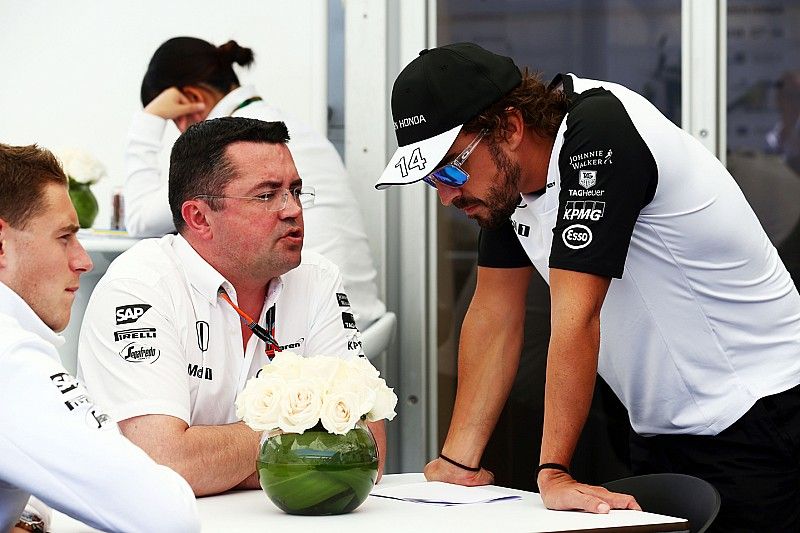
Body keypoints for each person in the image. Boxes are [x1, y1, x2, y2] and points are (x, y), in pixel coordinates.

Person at [376, 43, 800, 532]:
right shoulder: (505, 183)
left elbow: (576, 316)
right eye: (430, 180)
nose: (447, 195)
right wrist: (459, 464)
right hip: (660, 427)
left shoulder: (599, 129)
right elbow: (494, 315)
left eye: (450, 168)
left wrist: (553, 471)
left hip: (761, 409)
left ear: (511, 127)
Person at [78, 117, 387, 497]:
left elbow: (367, 449)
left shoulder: (318, 278)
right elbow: (163, 465)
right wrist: (304, 438)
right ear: (199, 218)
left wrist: (215, 462)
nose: (292, 209)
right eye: (266, 195)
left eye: (295, 190)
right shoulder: (139, 287)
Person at [0, 143, 199, 532]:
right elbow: (168, 518)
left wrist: (25, 516)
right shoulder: (11, 360)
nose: (84, 260)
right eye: (64, 237)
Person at [126, 36, 385, 331]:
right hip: (356, 309)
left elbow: (139, 220)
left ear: (191, 99)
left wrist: (149, 119)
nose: (182, 130)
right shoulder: (289, 127)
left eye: (177, 120)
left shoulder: (234, 144)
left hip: (314, 318)